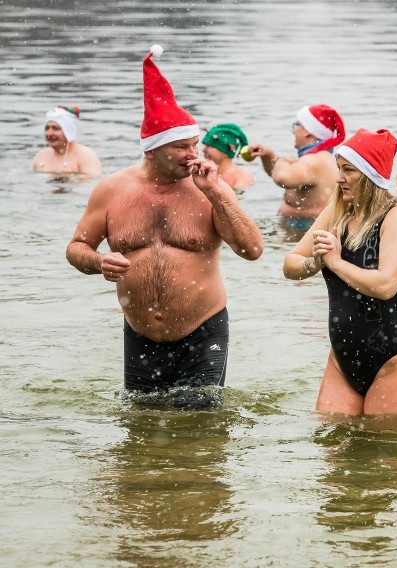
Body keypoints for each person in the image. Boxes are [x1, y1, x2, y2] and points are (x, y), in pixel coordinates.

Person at [65, 46, 263, 405]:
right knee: (139, 430)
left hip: (203, 328)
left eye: (194, 145)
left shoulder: (211, 188)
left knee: (198, 421)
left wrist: (217, 193)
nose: (193, 155)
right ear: (151, 150)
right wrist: (98, 262)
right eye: (181, 148)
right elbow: (76, 248)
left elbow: (252, 250)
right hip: (139, 333)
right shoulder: (111, 190)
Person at [283, 128, 397, 416]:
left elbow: (386, 285)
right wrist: (316, 263)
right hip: (342, 358)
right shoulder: (338, 211)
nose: (338, 178)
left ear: (371, 175)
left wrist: (335, 263)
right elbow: (291, 263)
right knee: (331, 451)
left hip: (393, 359)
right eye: (338, 168)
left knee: (382, 456)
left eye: (348, 170)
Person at [244, 104, 345, 236]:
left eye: (296, 125)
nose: (293, 131)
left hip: (302, 231)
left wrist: (282, 161)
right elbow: (276, 173)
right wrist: (268, 155)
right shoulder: (322, 158)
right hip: (306, 229)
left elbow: (282, 178)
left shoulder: (314, 161)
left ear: (308, 131)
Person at [31, 105, 102, 176]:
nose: (49, 133)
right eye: (47, 128)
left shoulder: (86, 156)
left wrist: (65, 179)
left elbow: (92, 183)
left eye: (55, 128)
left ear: (68, 131)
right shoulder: (41, 156)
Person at [201, 122, 254, 191]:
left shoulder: (242, 178)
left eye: (209, 146)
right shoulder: (201, 172)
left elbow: (234, 201)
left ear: (225, 152)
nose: (203, 150)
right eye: (205, 145)